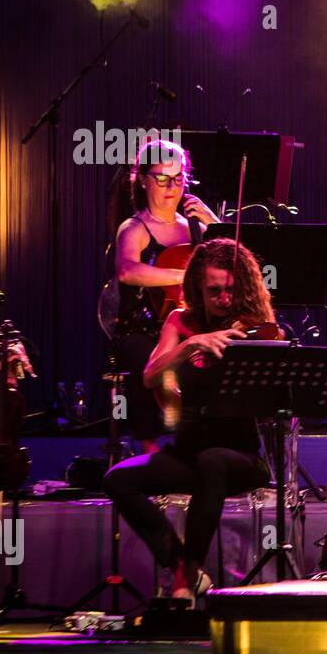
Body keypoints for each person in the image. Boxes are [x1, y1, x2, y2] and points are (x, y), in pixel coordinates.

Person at [102, 238, 273, 600]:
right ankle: (183, 565)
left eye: (231, 290)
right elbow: (150, 375)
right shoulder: (180, 321)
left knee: (213, 461)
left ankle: (185, 575)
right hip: (189, 452)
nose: (224, 299)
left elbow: (274, 371)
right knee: (118, 479)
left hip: (240, 456)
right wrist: (190, 344)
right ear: (197, 287)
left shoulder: (253, 324)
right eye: (214, 291)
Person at [110, 139, 220, 453]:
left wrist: (214, 225)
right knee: (142, 353)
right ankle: (150, 449)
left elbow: (229, 264)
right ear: (143, 180)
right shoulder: (135, 228)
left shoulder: (194, 227)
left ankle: (211, 445)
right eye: (162, 178)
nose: (172, 187)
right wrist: (183, 276)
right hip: (144, 326)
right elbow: (127, 270)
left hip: (187, 323)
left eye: (178, 178)